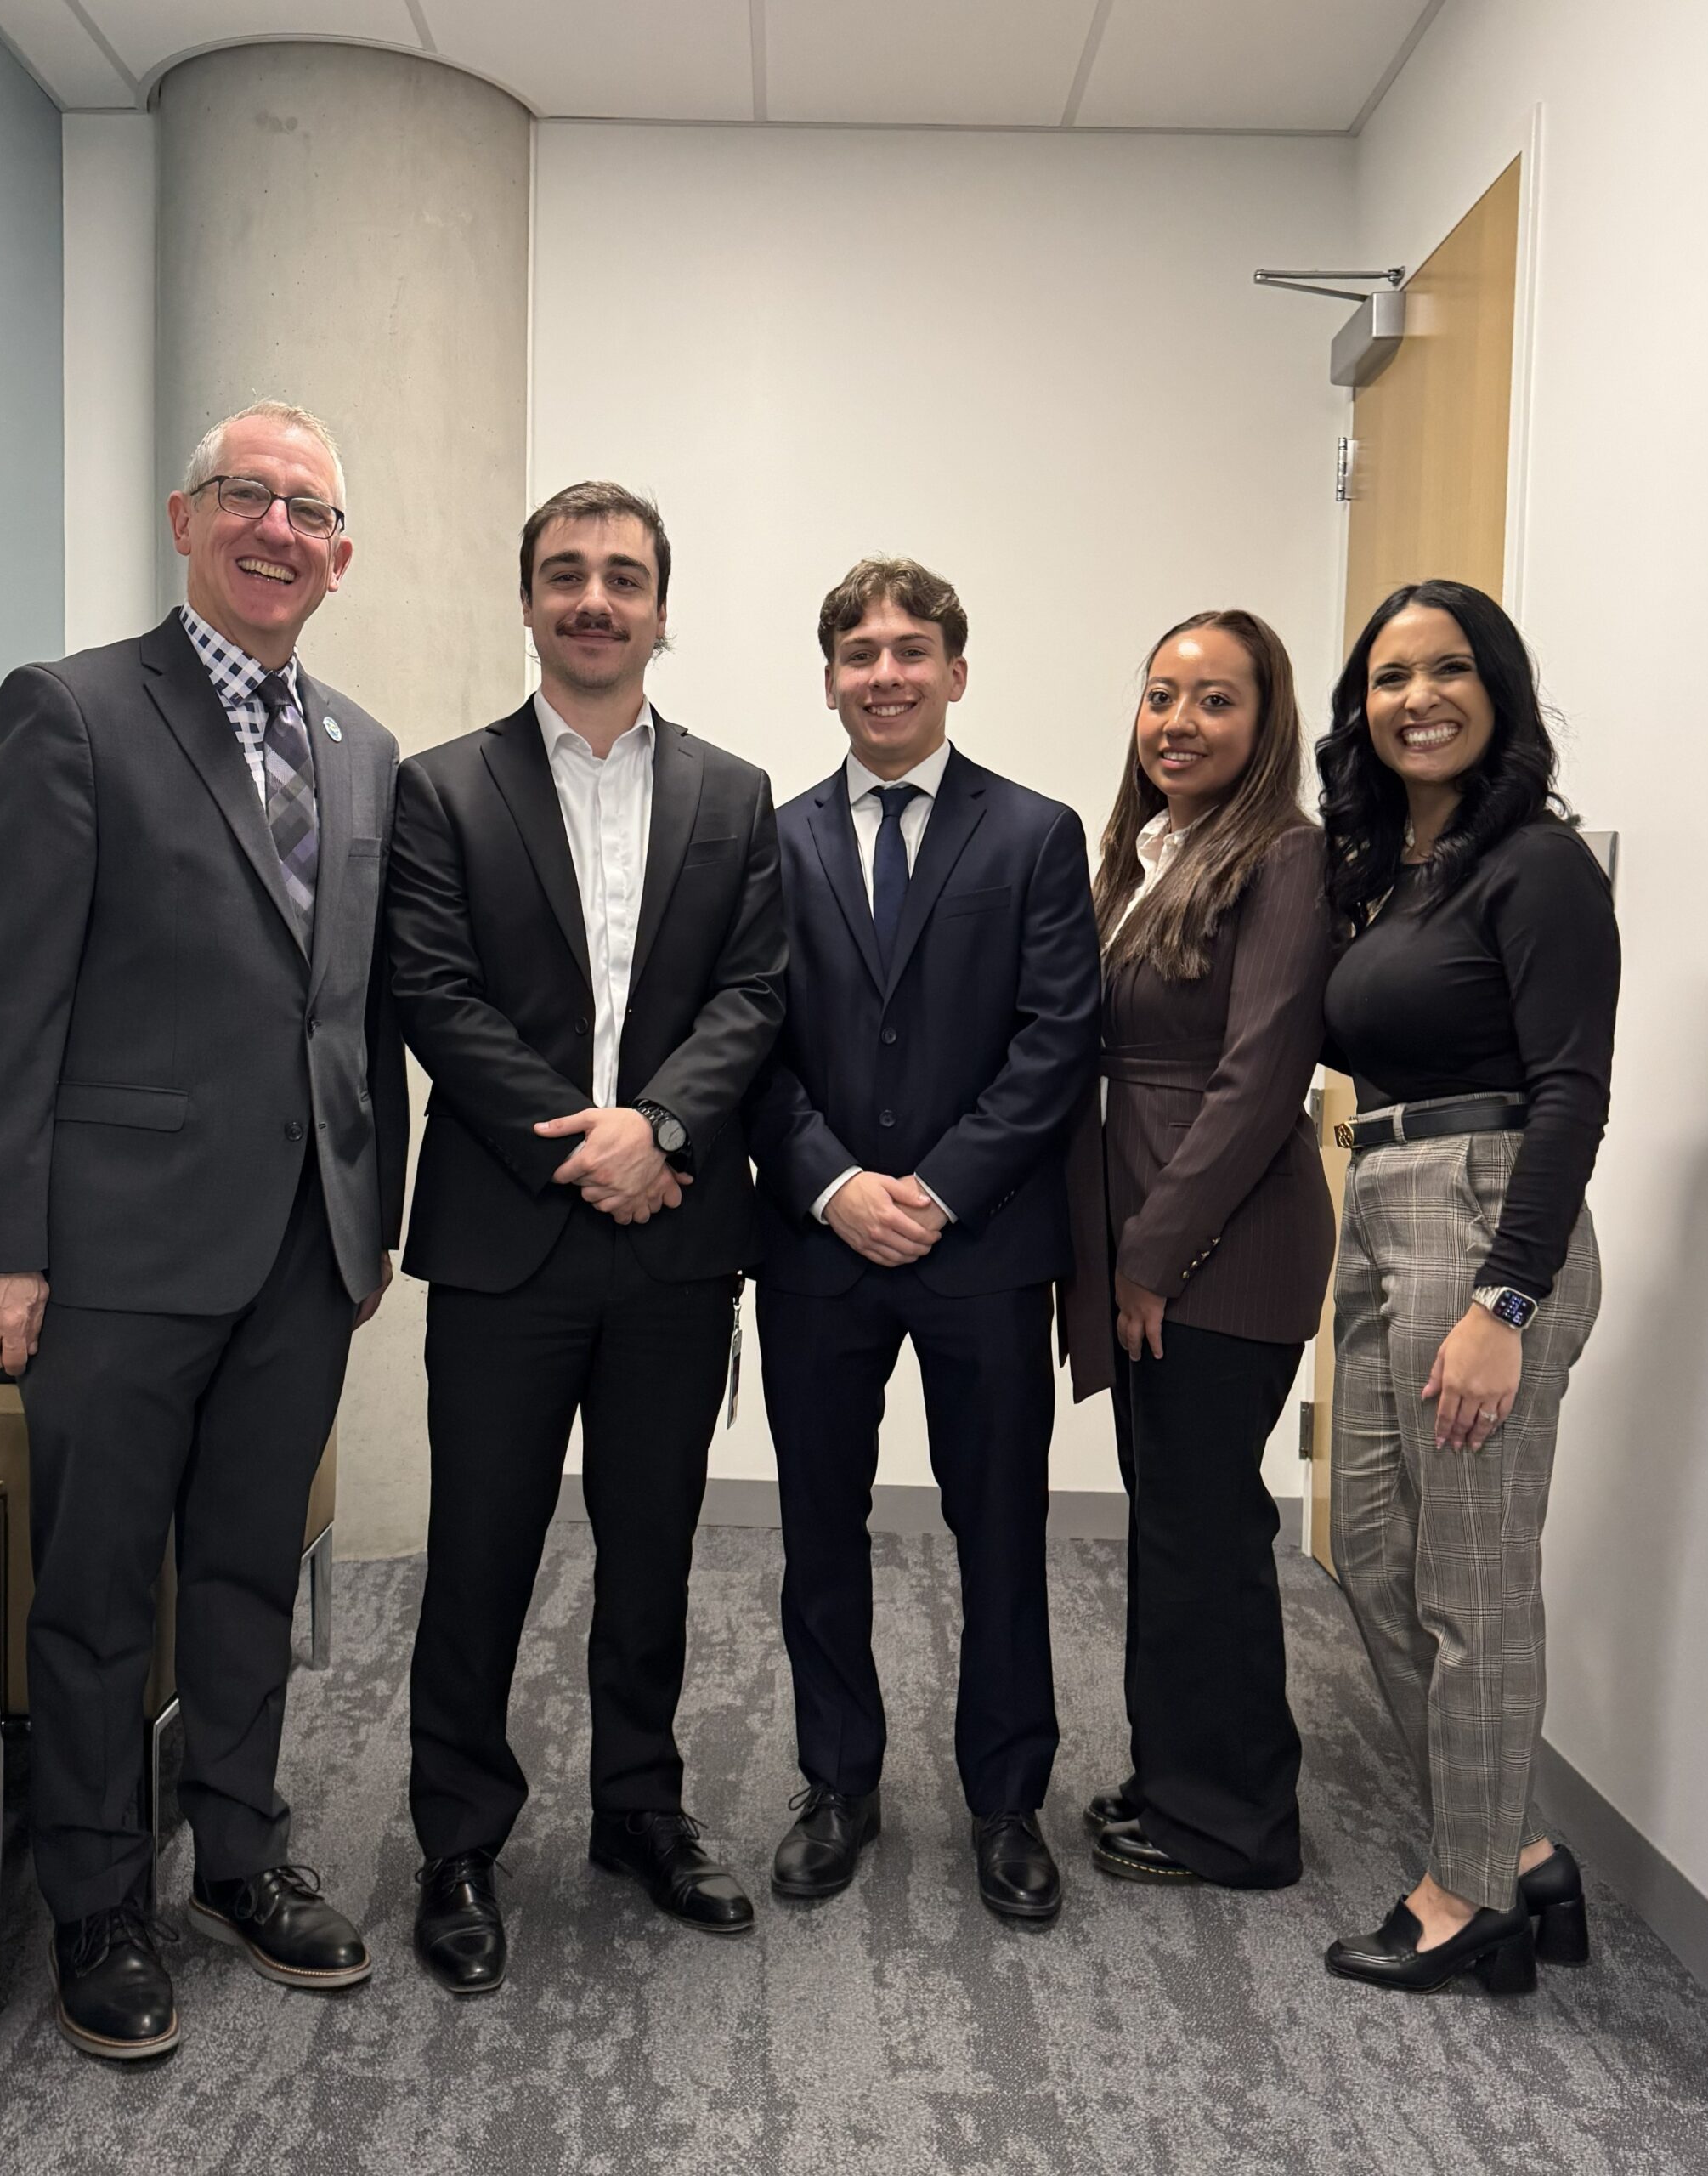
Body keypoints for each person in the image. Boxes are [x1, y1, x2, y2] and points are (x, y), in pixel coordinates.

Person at [0, 400, 410, 2060]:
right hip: (114, 1253)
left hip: (302, 1249)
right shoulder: (71, 711)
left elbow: (354, 1015)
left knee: (245, 1571)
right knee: (94, 1593)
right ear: (183, 516)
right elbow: (1, 999)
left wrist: (368, 1218)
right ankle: (95, 1899)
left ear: (340, 557)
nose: (279, 527)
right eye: (246, 495)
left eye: (310, 511)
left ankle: (240, 1854)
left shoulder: (363, 747)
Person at [387, 481, 786, 1995]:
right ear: (529, 602)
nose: (594, 598)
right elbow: (433, 994)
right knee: (478, 1550)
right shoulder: (443, 789)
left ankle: (640, 1808)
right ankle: (458, 1841)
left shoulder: (735, 794)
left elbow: (754, 992)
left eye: (623, 575)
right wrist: (592, 1144)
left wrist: (660, 1130)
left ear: (661, 608)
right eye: (565, 574)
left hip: (674, 1239)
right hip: (507, 1236)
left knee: (651, 1546)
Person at [748, 558, 1102, 1923]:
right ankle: (837, 1783)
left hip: (985, 1248)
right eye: (859, 653)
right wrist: (834, 1183)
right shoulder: (768, 841)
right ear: (828, 678)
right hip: (816, 1247)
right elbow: (745, 1040)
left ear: (955, 671)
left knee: (999, 1529)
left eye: (910, 651)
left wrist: (938, 1189)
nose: (883, 674)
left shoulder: (1033, 834)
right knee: (817, 1529)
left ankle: (1007, 1801)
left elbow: (1056, 1039)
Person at [1316, 579, 1617, 1995]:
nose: (1416, 698)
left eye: (1445, 670)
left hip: (1483, 1213)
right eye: (1388, 677)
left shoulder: (1536, 865)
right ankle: (1521, 1854)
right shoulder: (1392, 872)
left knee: (1471, 1580)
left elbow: (1570, 1091)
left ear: (1496, 688)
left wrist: (1506, 1302)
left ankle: (1466, 1894)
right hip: (1380, 1200)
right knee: (1371, 1554)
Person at [1059, 609, 1335, 1892]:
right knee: (1177, 1523)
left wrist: (1150, 1258)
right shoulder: (1145, 852)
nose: (1178, 721)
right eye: (1161, 694)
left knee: (1205, 1534)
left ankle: (1234, 1824)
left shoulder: (1285, 855)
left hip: (1220, 1246)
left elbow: (1259, 1079)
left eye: (1215, 699)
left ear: (1264, 721)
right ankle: (1182, 1778)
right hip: (1147, 1233)